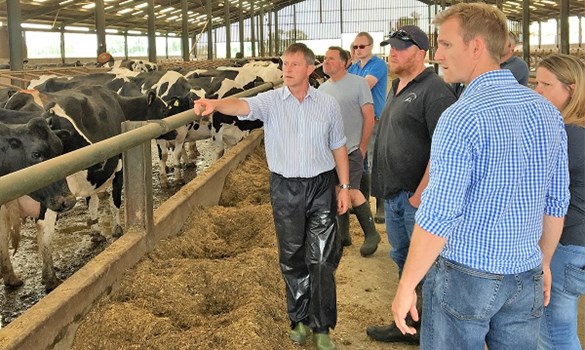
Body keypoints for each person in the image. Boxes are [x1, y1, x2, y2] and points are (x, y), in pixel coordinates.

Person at [391, 3, 570, 350]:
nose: (438, 54)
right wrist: (544, 261)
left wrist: (406, 285)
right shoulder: (547, 112)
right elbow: (555, 201)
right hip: (526, 272)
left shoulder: (462, 116)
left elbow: (439, 213)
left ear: (475, 47)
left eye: (445, 44)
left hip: (466, 274)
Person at [193, 43, 349, 350]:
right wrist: (216, 103)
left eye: (293, 64)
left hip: (320, 185)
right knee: (292, 256)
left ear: (310, 68)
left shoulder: (327, 105)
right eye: (284, 64)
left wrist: (343, 186)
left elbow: (339, 147)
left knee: (321, 258)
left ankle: (322, 327)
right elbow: (242, 107)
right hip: (285, 187)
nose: (286, 70)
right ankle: (299, 321)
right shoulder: (272, 101)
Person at [365, 25, 456, 345]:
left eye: (402, 48)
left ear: (421, 54)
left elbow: (443, 148)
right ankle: (409, 323)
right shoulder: (397, 86)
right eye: (391, 46)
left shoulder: (434, 90)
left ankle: (430, 331)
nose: (393, 52)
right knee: (403, 259)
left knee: (426, 266)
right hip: (394, 195)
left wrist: (420, 194)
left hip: (414, 199)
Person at [535, 54, 585, 350]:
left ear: (572, 88)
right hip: (577, 241)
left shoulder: (567, 135)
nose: (537, 90)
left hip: (563, 243)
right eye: (536, 83)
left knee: (554, 333)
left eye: (545, 84)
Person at [319, 46, 381, 257]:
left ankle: (371, 233)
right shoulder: (322, 89)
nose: (326, 62)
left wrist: (363, 147)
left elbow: (369, 115)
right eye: (325, 59)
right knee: (337, 191)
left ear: (345, 62)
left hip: (352, 147)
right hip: (330, 151)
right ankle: (343, 235)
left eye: (332, 59)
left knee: (352, 192)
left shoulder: (358, 83)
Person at [348, 31, 388, 223]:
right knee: (360, 161)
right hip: (358, 120)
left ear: (371, 46)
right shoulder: (354, 67)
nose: (358, 50)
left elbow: (364, 87)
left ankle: (381, 206)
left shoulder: (378, 65)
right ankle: (361, 203)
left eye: (361, 46)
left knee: (374, 161)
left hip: (375, 118)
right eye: (355, 47)